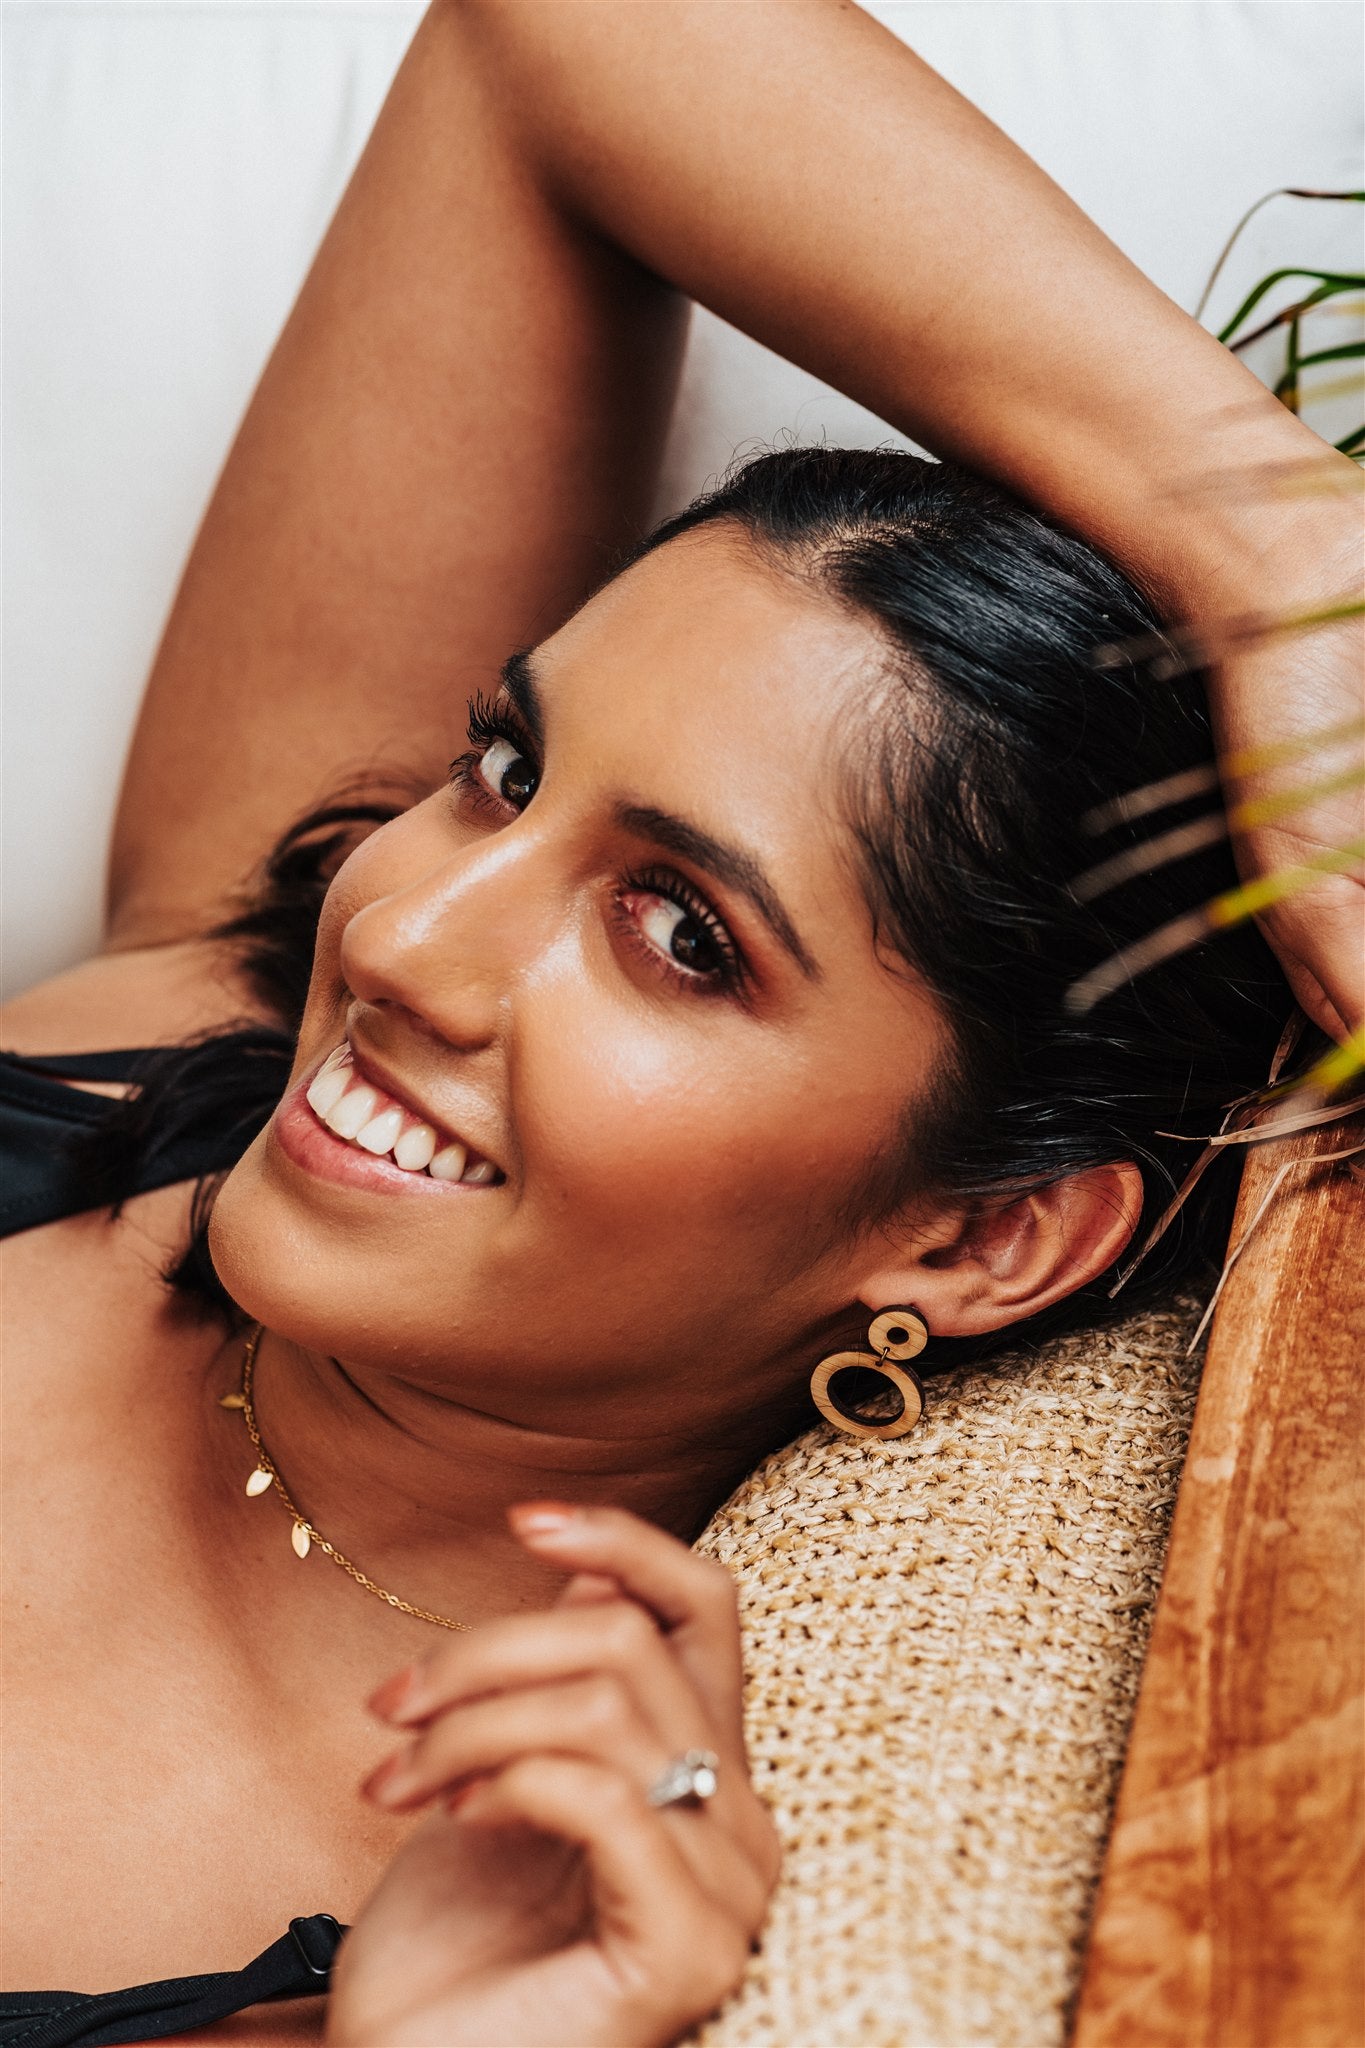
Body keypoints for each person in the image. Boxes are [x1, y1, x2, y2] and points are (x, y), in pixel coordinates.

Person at [2, 4, 1359, 2045]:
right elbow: (551, 36)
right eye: (499, 761)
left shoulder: (441, 1906)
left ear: (982, 1237)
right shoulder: (213, 978)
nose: (402, 930)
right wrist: (1284, 554)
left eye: (679, 933)